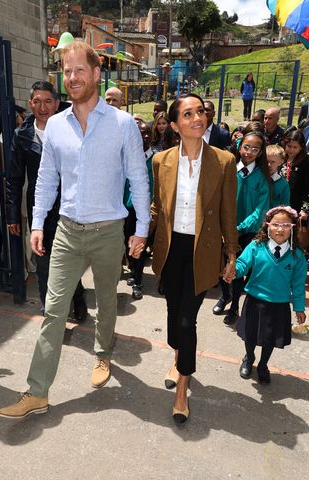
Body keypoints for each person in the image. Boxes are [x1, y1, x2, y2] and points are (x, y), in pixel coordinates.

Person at [0, 41, 151, 419]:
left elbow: (138, 177)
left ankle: (103, 354)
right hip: (66, 230)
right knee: (53, 310)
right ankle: (37, 392)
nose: (72, 77)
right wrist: (37, 224)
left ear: (97, 74)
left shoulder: (122, 124)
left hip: (109, 231)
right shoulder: (56, 128)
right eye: (67, 71)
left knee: (107, 302)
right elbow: (47, 179)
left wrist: (142, 229)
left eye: (79, 70)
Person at [151, 93, 239, 423]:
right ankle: (177, 355)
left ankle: (182, 388)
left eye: (200, 112)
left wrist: (231, 254)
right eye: (188, 114)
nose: (197, 118)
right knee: (175, 315)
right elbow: (159, 206)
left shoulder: (224, 160)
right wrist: (142, 233)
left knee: (188, 319)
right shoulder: (162, 161)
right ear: (174, 125)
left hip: (202, 252)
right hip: (171, 250)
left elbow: (229, 212)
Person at [6, 81, 87, 320]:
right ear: (30, 104)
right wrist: (13, 214)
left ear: (57, 103)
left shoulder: (71, 128)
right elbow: (14, 178)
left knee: (69, 260)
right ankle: (50, 312)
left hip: (68, 206)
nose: (43, 106)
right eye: (37, 101)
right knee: (42, 264)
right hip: (39, 209)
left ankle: (78, 296)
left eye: (48, 101)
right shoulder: (22, 136)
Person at [233, 206, 307, 383]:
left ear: (292, 228)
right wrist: (233, 270)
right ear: (267, 226)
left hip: (279, 305)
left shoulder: (297, 256)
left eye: (285, 225)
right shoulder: (256, 246)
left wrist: (299, 308)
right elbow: (242, 264)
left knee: (270, 340)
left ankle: (263, 364)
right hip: (254, 301)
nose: (280, 229)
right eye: (276, 224)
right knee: (250, 336)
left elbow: (297, 285)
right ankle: (249, 358)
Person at [213, 129, 271, 325]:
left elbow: (260, 210)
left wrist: (240, 227)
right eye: (246, 147)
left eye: (255, 149)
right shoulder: (228, 170)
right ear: (239, 146)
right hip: (224, 227)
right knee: (221, 266)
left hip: (248, 231)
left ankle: (234, 305)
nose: (249, 152)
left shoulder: (263, 177)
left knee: (238, 268)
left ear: (260, 152)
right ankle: (225, 295)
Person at [124, 121, 154, 300]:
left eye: (147, 133)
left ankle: (137, 280)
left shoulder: (156, 160)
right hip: (126, 208)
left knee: (141, 245)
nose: (144, 136)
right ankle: (133, 270)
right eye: (140, 133)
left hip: (145, 210)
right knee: (128, 241)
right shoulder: (128, 157)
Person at [281, 128, 309, 218]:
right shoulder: (281, 158)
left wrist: (305, 209)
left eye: (295, 147)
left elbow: (307, 187)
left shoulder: (306, 162)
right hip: (279, 203)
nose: (291, 150)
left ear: (301, 147)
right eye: (289, 146)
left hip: (296, 205)